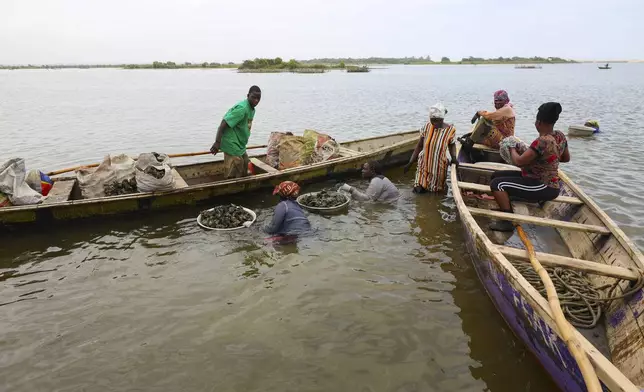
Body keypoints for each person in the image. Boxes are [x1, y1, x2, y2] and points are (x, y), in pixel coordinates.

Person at [488, 102, 571, 232]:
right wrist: (548, 158)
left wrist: (511, 147)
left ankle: (507, 221)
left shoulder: (543, 141)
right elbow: (566, 158)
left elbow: (519, 162)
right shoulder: (560, 136)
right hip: (540, 180)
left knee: (497, 185)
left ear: (538, 122)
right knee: (496, 175)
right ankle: (509, 203)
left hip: (544, 185)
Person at [210, 86, 262, 179]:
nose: (256, 101)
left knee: (246, 162)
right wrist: (217, 142)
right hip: (230, 141)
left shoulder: (252, 109)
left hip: (239, 143)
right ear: (248, 96)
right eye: (253, 97)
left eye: (258, 98)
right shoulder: (242, 109)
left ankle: (241, 184)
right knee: (237, 163)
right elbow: (223, 124)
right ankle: (230, 185)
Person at [404, 103, 457, 193]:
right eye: (432, 120)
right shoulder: (427, 127)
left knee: (436, 192)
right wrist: (410, 162)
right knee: (417, 189)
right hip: (423, 165)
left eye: (436, 120)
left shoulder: (450, 130)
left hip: (438, 168)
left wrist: (454, 158)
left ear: (442, 119)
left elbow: (452, 145)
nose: (434, 123)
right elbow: (419, 145)